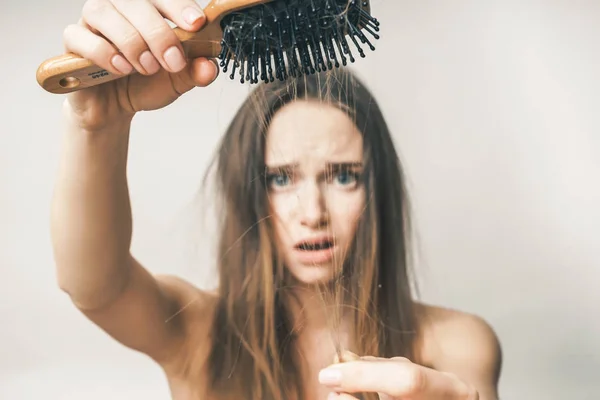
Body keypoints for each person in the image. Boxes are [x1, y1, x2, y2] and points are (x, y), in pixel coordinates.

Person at [51, 0, 503, 399]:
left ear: (378, 188)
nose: (312, 213)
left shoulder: (457, 345)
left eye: (343, 176)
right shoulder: (198, 336)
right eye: (282, 179)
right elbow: (94, 285)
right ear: (248, 191)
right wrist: (98, 124)